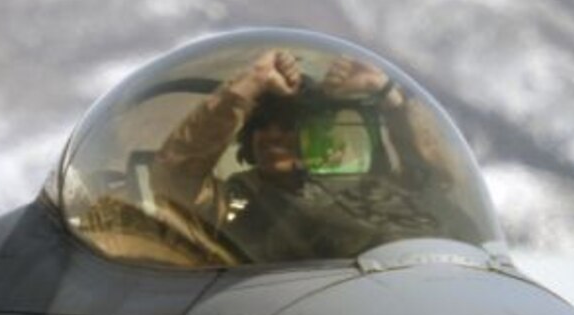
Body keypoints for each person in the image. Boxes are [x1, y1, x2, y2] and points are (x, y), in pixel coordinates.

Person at [148, 47, 468, 263]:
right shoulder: (239, 202)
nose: (273, 135)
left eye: (287, 126)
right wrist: (251, 83)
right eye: (262, 125)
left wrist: (387, 94)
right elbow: (171, 180)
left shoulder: (366, 191)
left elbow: (437, 182)